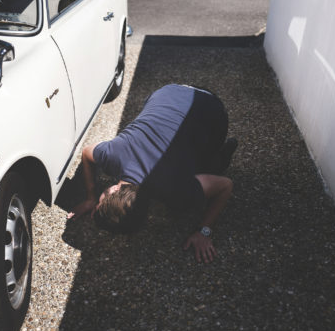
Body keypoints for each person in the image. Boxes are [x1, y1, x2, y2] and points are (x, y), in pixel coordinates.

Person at [67, 84, 237, 263]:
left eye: (98, 204)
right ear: (116, 189)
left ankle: (221, 155)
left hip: (212, 108)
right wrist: (92, 198)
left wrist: (204, 231)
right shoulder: (113, 156)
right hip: (169, 90)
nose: (97, 204)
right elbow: (87, 152)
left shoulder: (175, 189)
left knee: (195, 183)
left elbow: (226, 185)